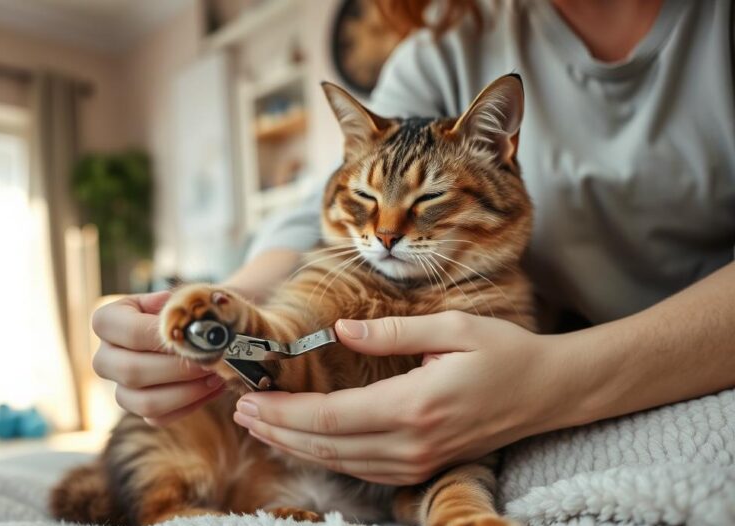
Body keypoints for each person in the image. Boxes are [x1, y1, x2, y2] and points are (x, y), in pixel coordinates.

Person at [92, 0, 735, 485]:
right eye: (378, 210)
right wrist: (240, 299)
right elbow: (333, 197)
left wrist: (559, 381)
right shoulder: (450, 42)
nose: (389, 231)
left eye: (426, 203)